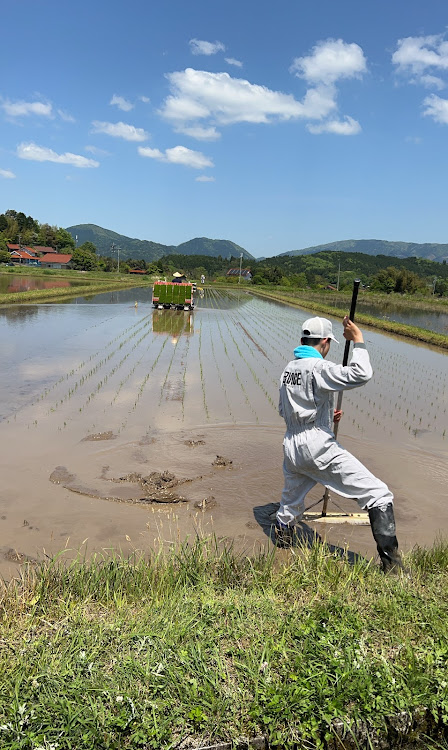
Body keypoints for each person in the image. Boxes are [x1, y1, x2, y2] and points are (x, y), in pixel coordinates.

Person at [275, 315, 404, 572]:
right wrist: (358, 340)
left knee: (289, 505)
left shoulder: (289, 369)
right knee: (378, 495)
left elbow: (287, 409)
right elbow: (361, 373)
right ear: (325, 342)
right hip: (316, 446)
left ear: (303, 340)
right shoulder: (318, 368)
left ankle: (280, 558)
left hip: (291, 445)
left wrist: (324, 415)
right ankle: (392, 568)